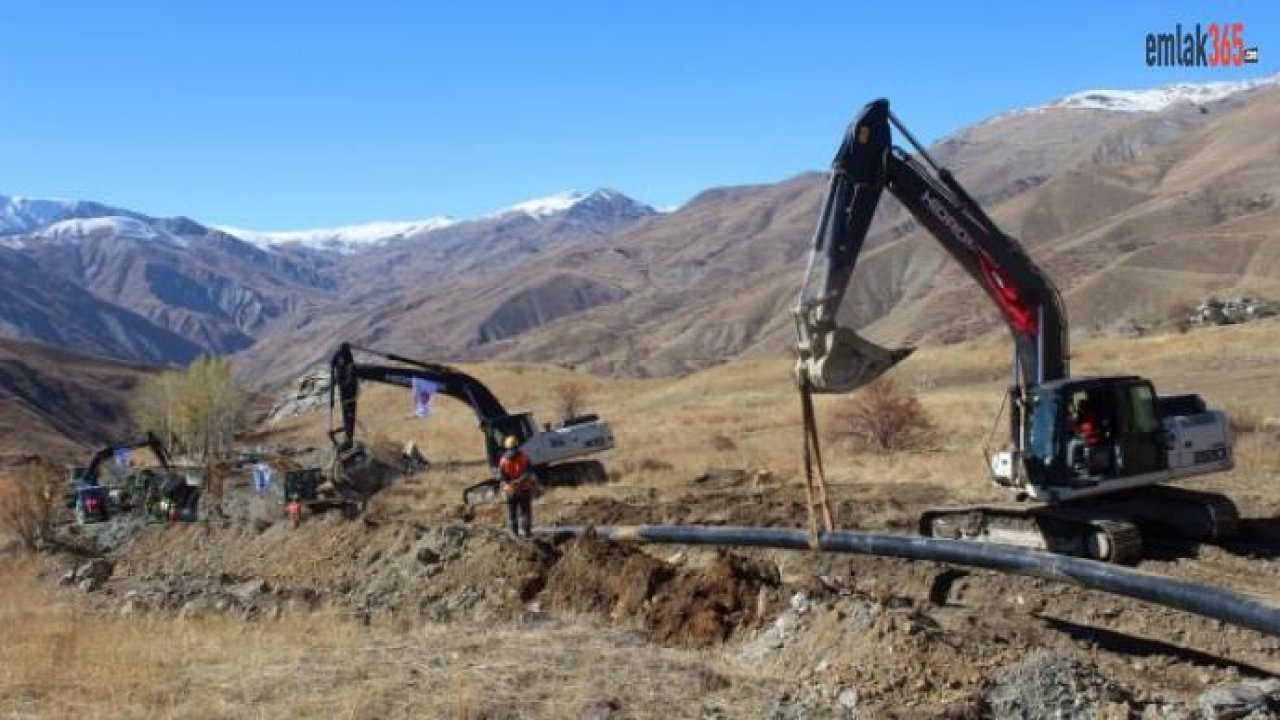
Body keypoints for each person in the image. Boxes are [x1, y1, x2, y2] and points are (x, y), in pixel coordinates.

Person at [498, 435, 536, 537]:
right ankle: (527, 533)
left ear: (506, 446)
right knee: (525, 512)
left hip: (510, 491)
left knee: (512, 514)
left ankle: (514, 534)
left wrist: (511, 484)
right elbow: (529, 472)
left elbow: (503, 478)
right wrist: (520, 481)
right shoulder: (524, 457)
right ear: (517, 445)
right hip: (524, 489)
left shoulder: (503, 461)